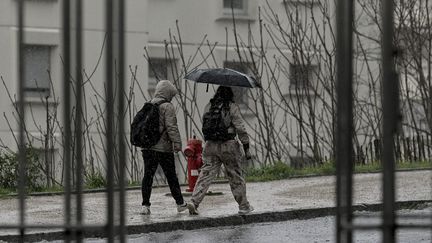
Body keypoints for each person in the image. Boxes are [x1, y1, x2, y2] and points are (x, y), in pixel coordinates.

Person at [187, 86, 254, 215]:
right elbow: (240, 128)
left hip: (210, 145)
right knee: (235, 176)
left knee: (205, 175)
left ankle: (194, 202)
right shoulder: (232, 107)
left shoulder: (209, 106)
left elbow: (205, 125)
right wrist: (246, 147)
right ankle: (243, 206)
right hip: (228, 145)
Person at [140, 80, 187, 215]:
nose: (172, 97)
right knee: (171, 176)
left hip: (148, 147)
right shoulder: (167, 106)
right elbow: (171, 127)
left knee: (148, 176)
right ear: (167, 93)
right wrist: (177, 143)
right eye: (171, 95)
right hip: (163, 149)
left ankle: (145, 205)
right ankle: (180, 203)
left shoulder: (149, 104)